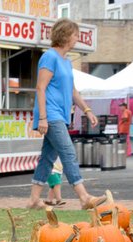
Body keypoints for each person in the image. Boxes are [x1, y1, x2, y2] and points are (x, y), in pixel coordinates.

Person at [28, 18, 104, 210]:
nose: (77, 38)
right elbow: (40, 87)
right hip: (51, 115)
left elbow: (72, 91)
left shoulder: (66, 61)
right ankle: (84, 197)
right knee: (68, 152)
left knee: (47, 157)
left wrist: (87, 110)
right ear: (65, 36)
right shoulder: (50, 57)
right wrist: (43, 118)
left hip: (60, 115)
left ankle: (33, 200)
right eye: (75, 34)